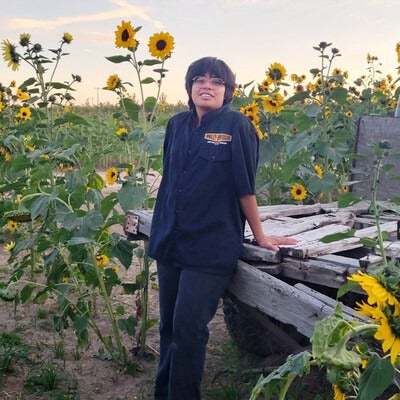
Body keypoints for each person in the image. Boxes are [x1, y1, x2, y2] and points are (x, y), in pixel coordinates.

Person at [148, 56, 297, 400]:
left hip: (210, 246)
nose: (206, 85)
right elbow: (172, 179)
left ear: (227, 91)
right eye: (199, 79)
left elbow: (245, 187)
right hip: (170, 240)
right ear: (188, 87)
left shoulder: (237, 126)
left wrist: (260, 236)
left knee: (189, 329)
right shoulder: (176, 125)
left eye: (216, 81)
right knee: (168, 326)